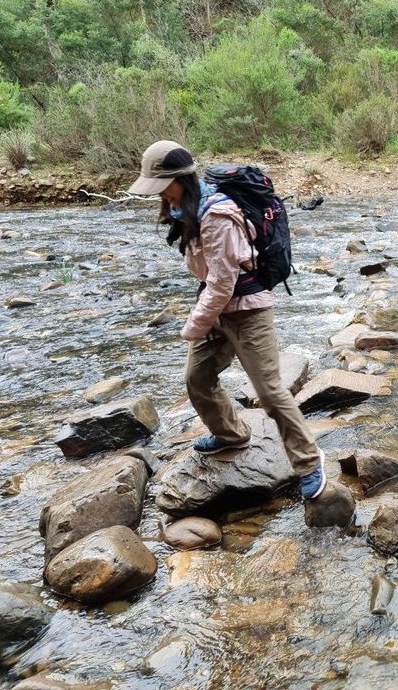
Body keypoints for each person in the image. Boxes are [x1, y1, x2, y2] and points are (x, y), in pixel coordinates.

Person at [128, 140, 327, 500]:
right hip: (217, 307)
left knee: (269, 392)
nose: (161, 196)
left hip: (248, 310)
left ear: (181, 181)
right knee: (198, 378)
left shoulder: (217, 215)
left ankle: (310, 462)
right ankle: (231, 434)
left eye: (163, 188)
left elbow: (222, 283)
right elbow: (211, 282)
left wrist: (192, 326)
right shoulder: (188, 210)